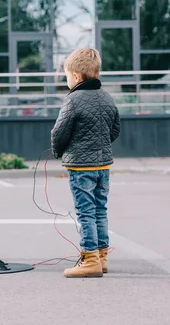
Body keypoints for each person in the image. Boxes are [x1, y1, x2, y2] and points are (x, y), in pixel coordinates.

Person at [50, 48, 120, 278]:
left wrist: (58, 151)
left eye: (67, 75)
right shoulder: (108, 98)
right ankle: (102, 256)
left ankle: (89, 258)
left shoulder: (73, 100)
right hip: (103, 165)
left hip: (81, 167)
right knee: (100, 210)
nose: (66, 79)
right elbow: (115, 130)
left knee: (85, 212)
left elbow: (59, 132)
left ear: (77, 77)